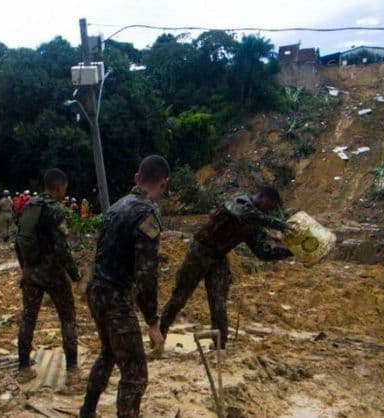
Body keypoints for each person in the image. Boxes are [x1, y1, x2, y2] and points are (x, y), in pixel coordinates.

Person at [80, 155, 169, 418]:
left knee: (108, 352)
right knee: (135, 374)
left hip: (96, 290)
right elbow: (146, 274)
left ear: (136, 177)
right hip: (116, 297)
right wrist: (152, 322)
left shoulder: (116, 207)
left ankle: (87, 411)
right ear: (163, 183)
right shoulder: (147, 213)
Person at [159, 186, 294, 349]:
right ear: (262, 197)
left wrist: (290, 251)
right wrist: (281, 225)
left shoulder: (255, 224)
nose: (268, 211)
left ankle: (219, 345)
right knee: (180, 297)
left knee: (219, 303)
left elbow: (262, 253)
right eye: (269, 206)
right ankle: (159, 335)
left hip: (219, 258)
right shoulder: (240, 201)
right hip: (200, 252)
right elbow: (245, 214)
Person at [14, 169, 81, 384]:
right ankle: (72, 370)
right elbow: (62, 249)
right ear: (59, 187)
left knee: (28, 318)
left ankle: (23, 367)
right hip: (53, 274)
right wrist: (75, 275)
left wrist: (25, 267)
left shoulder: (28, 206)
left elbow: (18, 241)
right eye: (64, 189)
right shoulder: (55, 210)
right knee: (67, 317)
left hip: (31, 272)